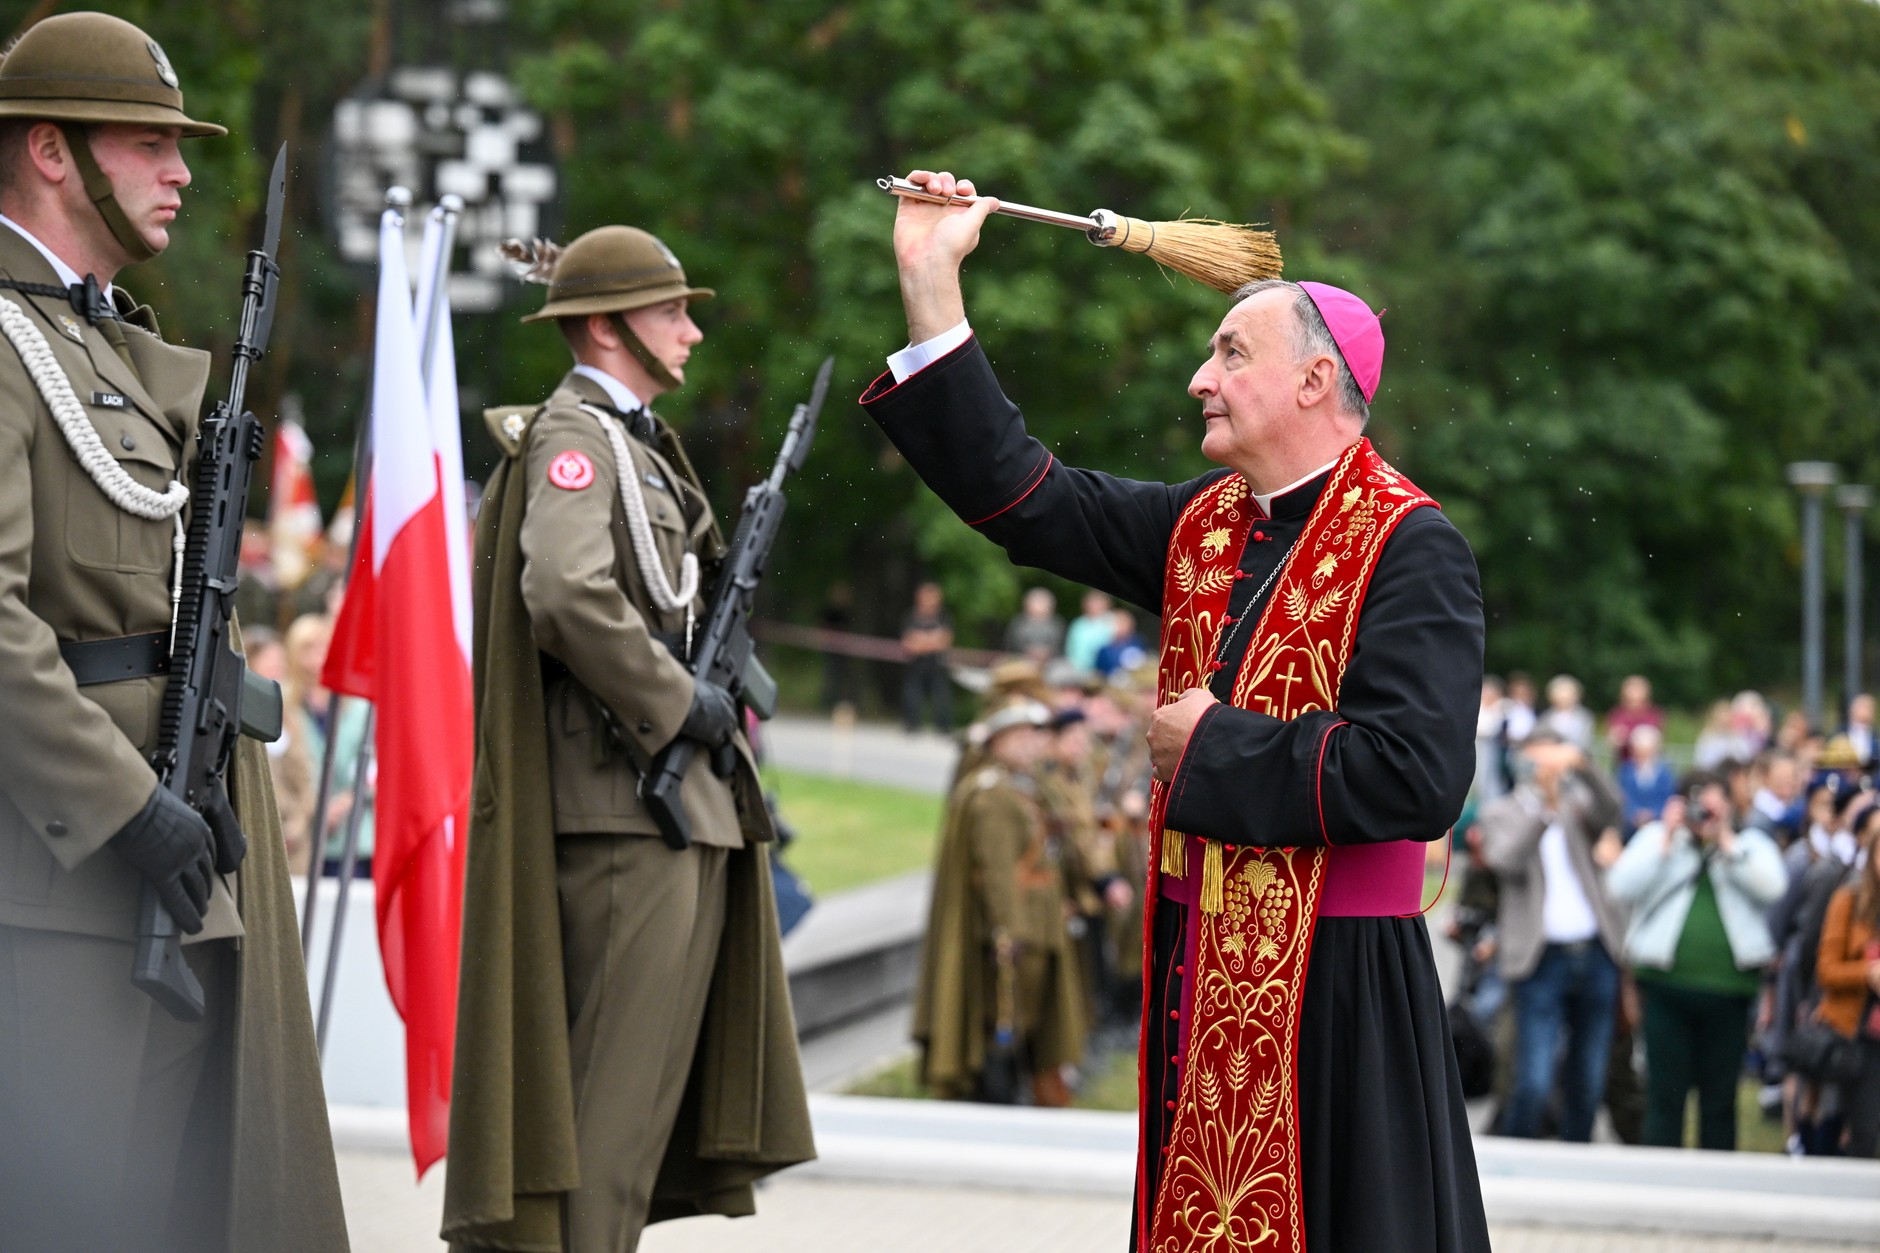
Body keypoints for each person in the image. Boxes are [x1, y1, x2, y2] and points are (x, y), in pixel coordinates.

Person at [865, 169, 1489, 1251]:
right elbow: (1025, 497)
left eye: (1228, 355)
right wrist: (931, 288)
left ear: (1312, 381)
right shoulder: (1201, 522)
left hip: (1337, 994)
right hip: (1203, 966)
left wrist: (1211, 747)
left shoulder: (1409, 543)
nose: (1199, 378)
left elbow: (1416, 774)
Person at [0, 14, 346, 1250]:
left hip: (176, 861)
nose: (183, 170)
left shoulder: (100, 337)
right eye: (150, 142)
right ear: (52, 149)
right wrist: (123, 807)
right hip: (58, 884)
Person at [444, 224, 813, 1253]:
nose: (691, 331)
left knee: (633, 1129)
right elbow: (562, 590)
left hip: (665, 805)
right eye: (670, 312)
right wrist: (674, 700)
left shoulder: (639, 444)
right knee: (601, 1138)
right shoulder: (576, 438)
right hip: (619, 809)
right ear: (605, 327)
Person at [914, 698, 1086, 1105]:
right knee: (1008, 1017)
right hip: (1019, 929)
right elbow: (997, 872)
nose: (1032, 745)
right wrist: (1010, 931)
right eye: (1021, 737)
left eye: (1035, 736)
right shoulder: (994, 796)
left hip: (1035, 920)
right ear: (997, 743)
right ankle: (996, 1097)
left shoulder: (1019, 787)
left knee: (1026, 1019)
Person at [1609, 773, 1787, 1149]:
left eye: (1711, 806)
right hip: (1665, 987)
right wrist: (1667, 839)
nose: (1702, 815)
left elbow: (1773, 887)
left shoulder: (1748, 844)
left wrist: (1725, 842)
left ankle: (1718, 1183)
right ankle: (1661, 1178)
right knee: (1664, 1094)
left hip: (1729, 992)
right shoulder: (1661, 840)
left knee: (1720, 1098)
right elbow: (1620, 885)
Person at [1480, 732, 1626, 1141]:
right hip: (1539, 956)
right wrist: (1543, 809)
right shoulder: (1501, 812)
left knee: (1588, 1077)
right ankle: (1522, 1161)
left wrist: (1584, 766)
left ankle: (1575, 1163)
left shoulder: (1576, 805)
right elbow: (1504, 859)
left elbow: (1613, 810)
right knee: (1534, 1079)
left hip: (1595, 950)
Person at [1812, 817, 1880, 1157]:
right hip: (1858, 1035)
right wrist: (1867, 974)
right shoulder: (1850, 900)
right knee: (1861, 1131)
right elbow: (1826, 970)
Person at [901, 579, 955, 732]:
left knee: (941, 696)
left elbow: (945, 641)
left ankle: (943, 727)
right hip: (916, 665)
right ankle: (911, 725)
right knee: (912, 695)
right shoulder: (911, 616)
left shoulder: (944, 616)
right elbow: (909, 645)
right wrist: (932, 640)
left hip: (937, 664)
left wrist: (922, 641)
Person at [1618, 724, 1677, 838]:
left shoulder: (1665, 774)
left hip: (1658, 826)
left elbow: (1669, 799)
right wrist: (1634, 814)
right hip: (1630, 827)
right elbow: (1621, 797)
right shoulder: (1625, 771)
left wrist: (1652, 814)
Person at [1606, 674, 1665, 764]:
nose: (1634, 693)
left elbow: (1658, 738)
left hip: (1649, 763)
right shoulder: (1617, 713)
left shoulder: (1654, 714)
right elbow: (1612, 739)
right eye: (1632, 689)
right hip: (1624, 762)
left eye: (1638, 689)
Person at [1004, 585, 1065, 662]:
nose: (1039, 606)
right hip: (1021, 660)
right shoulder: (1018, 623)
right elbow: (1011, 645)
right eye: (1037, 602)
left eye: (1042, 602)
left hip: (1052, 662)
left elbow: (1061, 645)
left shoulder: (1057, 623)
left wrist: (1046, 653)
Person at [1538, 674, 1596, 753]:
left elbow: (1585, 743)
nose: (1564, 698)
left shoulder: (1585, 717)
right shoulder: (1546, 717)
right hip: (1551, 756)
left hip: (1577, 757)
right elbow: (1541, 740)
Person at [1064, 588, 1115, 671]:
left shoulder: (1112, 621)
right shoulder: (1078, 623)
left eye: (1098, 602)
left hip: (1104, 669)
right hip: (1077, 668)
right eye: (1091, 602)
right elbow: (1070, 648)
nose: (1094, 606)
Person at [1845, 693, 1877, 771]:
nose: (1866, 712)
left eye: (1869, 708)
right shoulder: (1840, 733)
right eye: (1862, 707)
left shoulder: (1876, 737)